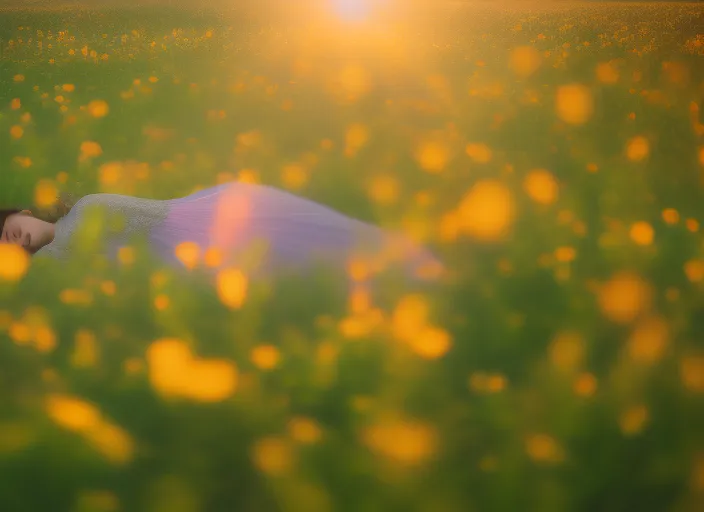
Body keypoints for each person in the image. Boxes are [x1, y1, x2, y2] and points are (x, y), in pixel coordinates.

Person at [0, 181, 443, 283]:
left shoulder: (90, 209)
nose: (12, 241)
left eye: (7, 230)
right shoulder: (47, 272)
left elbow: (158, 221)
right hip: (170, 280)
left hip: (199, 238)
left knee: (308, 253)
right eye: (3, 247)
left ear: (21, 212)